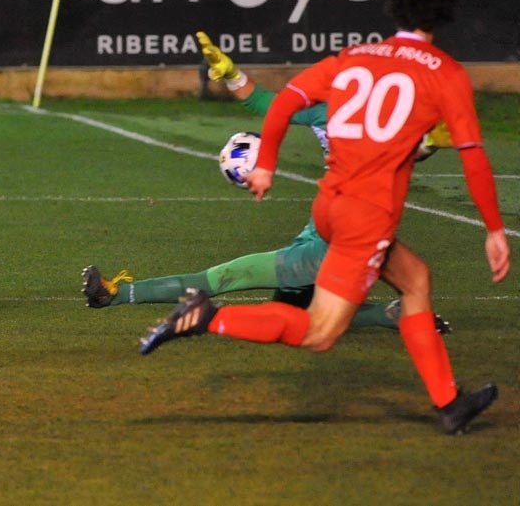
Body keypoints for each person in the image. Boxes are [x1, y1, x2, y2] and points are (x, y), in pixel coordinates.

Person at [137, 0, 511, 435]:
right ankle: (206, 317)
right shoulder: (447, 74)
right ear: (444, 14)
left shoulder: (353, 57)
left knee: (415, 279)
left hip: (330, 206)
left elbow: (282, 103)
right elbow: (474, 159)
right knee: (319, 331)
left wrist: (267, 165)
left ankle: (449, 402)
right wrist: (494, 229)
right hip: (366, 217)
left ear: (393, 7)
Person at [82, 31, 451, 333]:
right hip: (328, 226)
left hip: (342, 236)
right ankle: (392, 316)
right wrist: (231, 75)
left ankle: (121, 295)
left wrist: (430, 142)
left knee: (223, 279)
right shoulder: (334, 111)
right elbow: (267, 104)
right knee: (295, 311)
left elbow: (407, 152)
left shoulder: (373, 118)